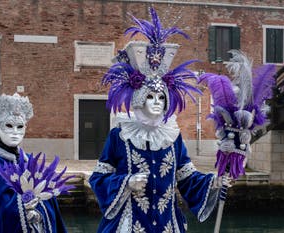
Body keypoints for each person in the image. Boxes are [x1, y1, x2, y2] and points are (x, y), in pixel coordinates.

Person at [89, 8, 229, 233]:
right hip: (129, 223)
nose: (156, 102)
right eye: (150, 96)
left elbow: (186, 176)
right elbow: (98, 178)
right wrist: (127, 182)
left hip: (167, 223)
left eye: (161, 97)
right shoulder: (120, 134)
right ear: (139, 98)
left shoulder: (172, 135)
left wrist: (212, 182)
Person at [0, 93, 67, 233]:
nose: (15, 132)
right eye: (9, 125)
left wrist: (37, 211)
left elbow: (51, 206)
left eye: (20, 127)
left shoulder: (31, 163)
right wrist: (23, 205)